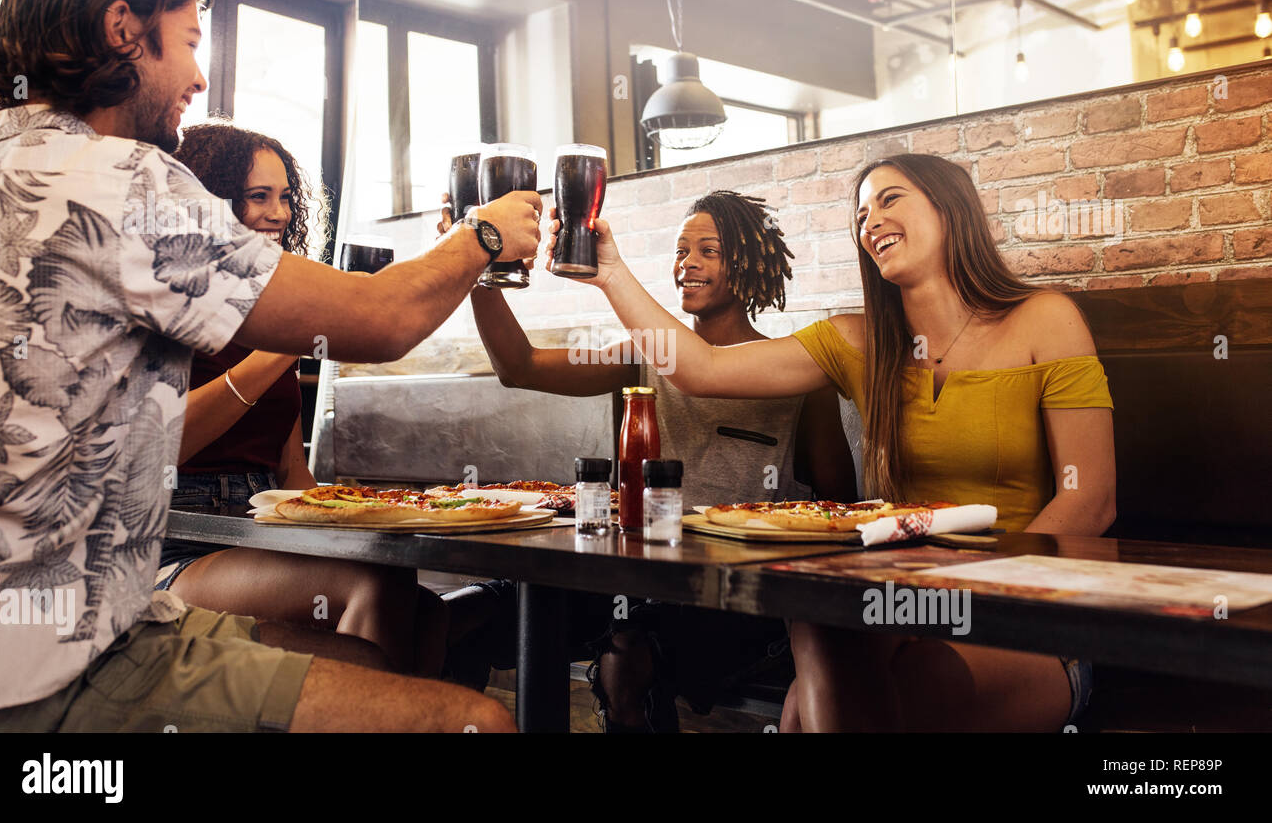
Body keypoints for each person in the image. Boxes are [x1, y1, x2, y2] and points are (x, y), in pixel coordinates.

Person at [0, 0, 539, 732]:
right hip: (48, 662)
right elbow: (383, 318)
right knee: (476, 722)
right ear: (122, 30)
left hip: (56, 618)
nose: (199, 77)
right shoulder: (121, 180)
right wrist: (485, 233)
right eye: (189, 43)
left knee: (370, 664)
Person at [545, 152, 1116, 732]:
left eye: (890, 200)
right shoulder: (856, 340)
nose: (871, 221)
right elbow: (701, 368)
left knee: (813, 713)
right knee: (817, 621)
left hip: (1027, 617)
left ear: (952, 211)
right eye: (862, 212)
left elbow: (1090, 501)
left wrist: (973, 593)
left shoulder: (1046, 320)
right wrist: (610, 272)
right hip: (900, 603)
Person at [442, 190, 855, 730]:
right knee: (452, 620)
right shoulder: (646, 355)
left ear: (750, 262)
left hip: (732, 595)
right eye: (682, 251)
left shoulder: (796, 378)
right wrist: (478, 270)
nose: (688, 263)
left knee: (625, 655)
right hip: (630, 575)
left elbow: (842, 509)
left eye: (710, 250)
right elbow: (519, 366)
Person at [148, 122, 445, 676]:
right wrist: (284, 349)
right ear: (209, 203)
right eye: (258, 196)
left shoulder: (273, 316)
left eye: (286, 197)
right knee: (376, 586)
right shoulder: (167, 306)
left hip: (260, 527)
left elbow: (289, 474)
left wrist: (363, 513)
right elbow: (157, 442)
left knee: (426, 610)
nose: (280, 213)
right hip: (174, 545)